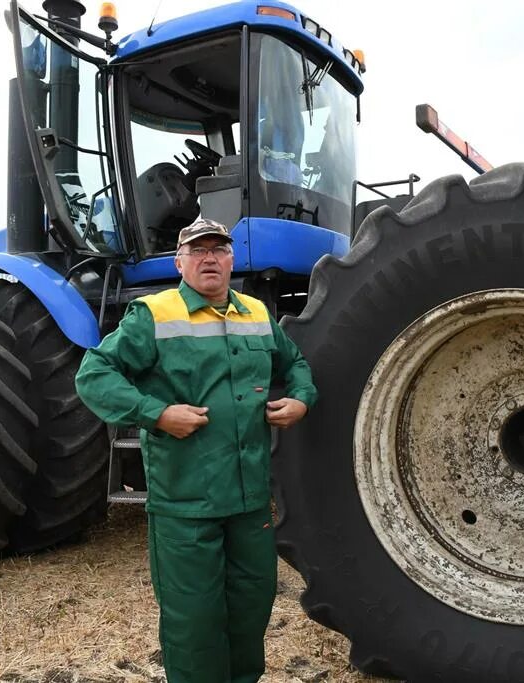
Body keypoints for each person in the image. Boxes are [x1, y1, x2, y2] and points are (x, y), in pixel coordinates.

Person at [74, 217, 317, 683]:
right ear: (181, 262)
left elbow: (297, 362)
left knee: (251, 609)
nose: (210, 258)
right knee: (194, 623)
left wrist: (302, 399)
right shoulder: (154, 315)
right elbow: (94, 374)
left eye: (219, 250)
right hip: (186, 503)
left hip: (248, 504)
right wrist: (157, 413)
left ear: (231, 259)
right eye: (199, 251)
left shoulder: (256, 313)